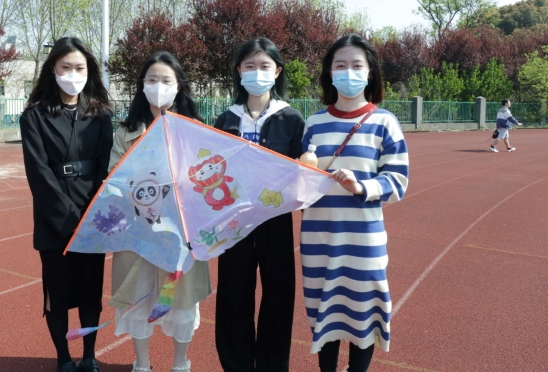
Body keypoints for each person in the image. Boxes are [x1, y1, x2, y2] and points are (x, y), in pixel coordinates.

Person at [301, 34, 409, 372]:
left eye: (356, 65)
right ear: (329, 73)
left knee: (363, 313)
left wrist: (360, 186)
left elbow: (398, 181)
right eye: (340, 65)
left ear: (370, 72)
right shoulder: (314, 123)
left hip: (363, 240)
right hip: (318, 239)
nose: (349, 71)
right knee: (323, 311)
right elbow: (300, 182)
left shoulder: (384, 122)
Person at [108, 51, 211, 372]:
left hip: (181, 234)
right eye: (151, 79)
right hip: (137, 234)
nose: (158, 86)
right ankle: (142, 363)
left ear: (178, 86)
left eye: (166, 80)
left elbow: (204, 182)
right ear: (142, 85)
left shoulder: (194, 130)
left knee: (181, 299)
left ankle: (181, 364)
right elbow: (115, 180)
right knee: (137, 298)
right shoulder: (125, 133)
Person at [20, 37, 114, 372]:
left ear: (89, 72)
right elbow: (39, 173)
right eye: (66, 67)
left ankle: (89, 355)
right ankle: (63, 357)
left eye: (80, 68)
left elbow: (105, 164)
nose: (73, 75)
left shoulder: (100, 114)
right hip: (54, 220)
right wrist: (70, 219)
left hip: (93, 215)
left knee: (91, 293)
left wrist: (93, 213)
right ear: (53, 70)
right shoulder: (34, 116)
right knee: (57, 295)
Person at [214, 37, 305, 372]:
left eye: (264, 66)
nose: (256, 72)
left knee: (278, 294)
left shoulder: (291, 119)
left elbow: (303, 172)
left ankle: (272, 365)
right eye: (249, 65)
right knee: (233, 294)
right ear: (239, 71)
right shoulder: (226, 119)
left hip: (274, 220)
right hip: (233, 220)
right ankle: (237, 364)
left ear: (277, 71)